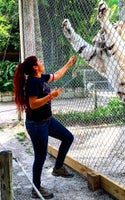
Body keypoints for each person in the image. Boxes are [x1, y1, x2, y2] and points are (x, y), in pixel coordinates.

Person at [13, 55, 76, 199]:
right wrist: (51, 96)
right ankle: (36, 188)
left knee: (68, 138)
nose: (42, 62)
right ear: (35, 67)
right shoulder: (33, 82)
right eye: (39, 61)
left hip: (47, 121)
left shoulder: (41, 77)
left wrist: (68, 63)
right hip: (36, 125)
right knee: (40, 157)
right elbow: (33, 104)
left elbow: (57, 75)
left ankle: (58, 167)